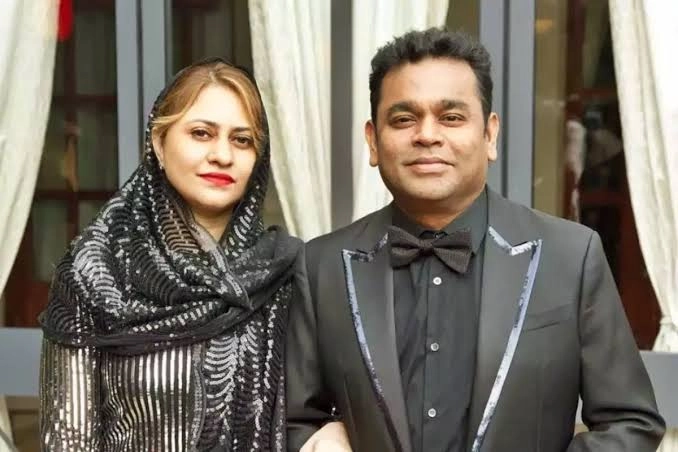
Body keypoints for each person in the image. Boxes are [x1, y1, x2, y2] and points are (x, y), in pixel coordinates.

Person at [287, 29, 665, 452]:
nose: (427, 134)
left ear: (489, 134)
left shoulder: (571, 256)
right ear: (373, 141)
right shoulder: (322, 267)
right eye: (404, 119)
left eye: (451, 117)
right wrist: (320, 438)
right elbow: (294, 421)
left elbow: (630, 422)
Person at [39, 58, 343, 451]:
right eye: (201, 133)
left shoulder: (287, 272)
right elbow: (69, 439)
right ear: (159, 142)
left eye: (242, 140)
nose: (222, 155)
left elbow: (323, 406)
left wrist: (331, 428)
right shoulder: (95, 272)